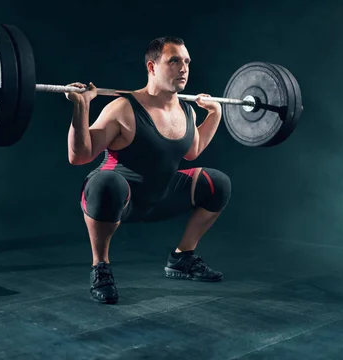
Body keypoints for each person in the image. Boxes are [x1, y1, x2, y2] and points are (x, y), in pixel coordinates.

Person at [65, 37, 231, 304]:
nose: (184, 68)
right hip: (119, 199)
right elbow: (79, 156)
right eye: (174, 61)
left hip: (160, 197)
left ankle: (182, 258)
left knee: (217, 183)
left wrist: (215, 115)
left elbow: (192, 150)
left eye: (186, 61)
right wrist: (81, 106)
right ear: (152, 67)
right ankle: (101, 267)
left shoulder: (187, 110)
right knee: (106, 183)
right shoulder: (123, 108)